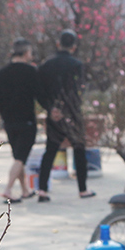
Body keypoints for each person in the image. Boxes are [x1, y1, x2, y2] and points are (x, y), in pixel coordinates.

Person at [36, 29, 92, 200]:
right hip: (72, 114)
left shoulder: (46, 65)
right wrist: (69, 110)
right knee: (79, 149)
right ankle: (82, 189)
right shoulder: (77, 65)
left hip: (53, 114)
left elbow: (39, 91)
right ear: (74, 46)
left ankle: (42, 190)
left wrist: (51, 108)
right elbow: (78, 92)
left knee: (50, 151)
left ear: (58, 44)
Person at [0, 37, 42, 202]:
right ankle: (8, 189)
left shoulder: (2, 73)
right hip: (26, 119)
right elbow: (39, 95)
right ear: (27, 52)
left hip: (9, 121)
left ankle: (25, 190)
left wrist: (4, 115)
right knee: (21, 157)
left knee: (18, 157)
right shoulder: (31, 72)